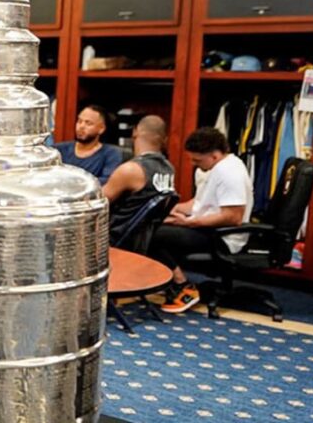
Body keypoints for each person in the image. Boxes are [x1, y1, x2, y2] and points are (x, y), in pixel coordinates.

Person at [147, 126, 252, 314]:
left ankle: (182, 285)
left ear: (214, 155)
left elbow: (233, 217)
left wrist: (189, 223)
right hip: (207, 229)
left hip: (223, 238)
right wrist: (172, 209)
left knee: (150, 233)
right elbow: (201, 203)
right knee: (149, 224)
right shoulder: (217, 168)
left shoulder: (229, 173)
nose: (194, 164)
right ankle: (169, 280)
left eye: (197, 160)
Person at [101, 114, 175, 246]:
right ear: (165, 139)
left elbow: (97, 203)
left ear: (135, 132)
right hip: (143, 239)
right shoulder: (169, 169)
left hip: (114, 239)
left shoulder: (131, 170)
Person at [55, 104, 123, 183]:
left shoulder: (111, 154)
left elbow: (106, 182)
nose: (81, 126)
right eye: (79, 121)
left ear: (101, 129)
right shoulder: (58, 150)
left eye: (88, 123)